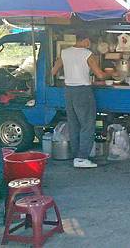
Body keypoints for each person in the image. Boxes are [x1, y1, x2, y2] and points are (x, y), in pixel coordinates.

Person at [51, 31, 107, 168]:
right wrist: (112, 73)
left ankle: (76, 156)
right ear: (86, 40)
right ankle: (82, 158)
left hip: (69, 91)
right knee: (87, 125)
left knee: (74, 124)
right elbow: (100, 75)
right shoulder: (87, 54)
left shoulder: (65, 53)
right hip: (83, 92)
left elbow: (53, 72)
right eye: (90, 42)